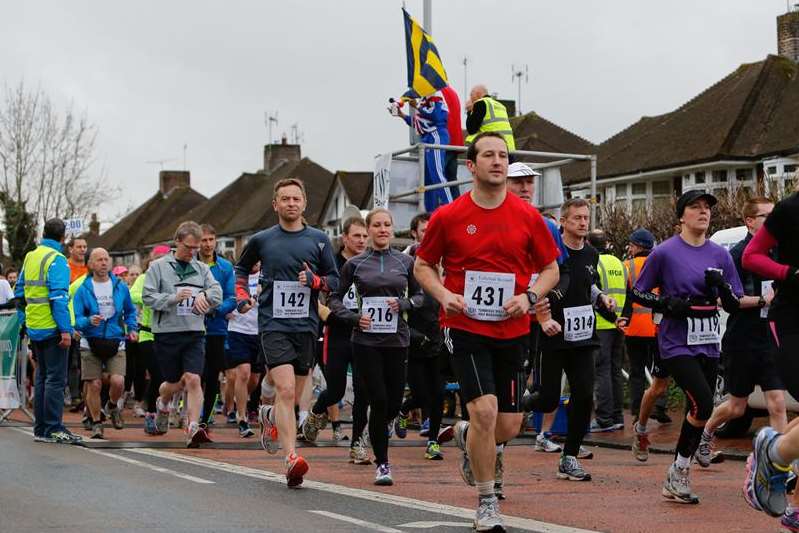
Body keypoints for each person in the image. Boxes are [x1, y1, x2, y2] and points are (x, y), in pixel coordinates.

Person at [414, 132, 560, 531]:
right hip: (464, 326)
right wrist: (444, 294)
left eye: (502, 155)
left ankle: (464, 435)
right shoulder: (449, 216)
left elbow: (551, 269)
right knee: (485, 410)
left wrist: (529, 298)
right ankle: (486, 500)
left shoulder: (529, 217)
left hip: (511, 328)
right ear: (471, 166)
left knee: (508, 426)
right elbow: (423, 265)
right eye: (489, 155)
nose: (497, 161)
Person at [630, 190, 742, 504]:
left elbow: (732, 303)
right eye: (695, 207)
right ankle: (678, 471)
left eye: (707, 208)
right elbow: (638, 293)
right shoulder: (665, 252)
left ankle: (678, 471)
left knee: (700, 411)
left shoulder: (720, 254)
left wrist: (720, 286)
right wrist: (667, 302)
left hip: (708, 342)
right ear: (682, 216)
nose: (703, 212)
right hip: (675, 340)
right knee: (703, 404)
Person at [235, 178, 339, 489]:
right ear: (275, 205)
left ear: (304, 204)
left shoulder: (319, 240)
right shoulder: (262, 239)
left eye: (296, 198)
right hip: (273, 324)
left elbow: (335, 280)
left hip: (305, 326)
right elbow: (241, 269)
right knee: (287, 391)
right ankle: (291, 457)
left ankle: (269, 416)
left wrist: (315, 281)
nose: (291, 203)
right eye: (285, 199)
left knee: (295, 389)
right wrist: (241, 296)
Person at [522, 198, 617, 483]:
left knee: (584, 395)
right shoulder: (551, 252)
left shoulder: (591, 254)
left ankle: (569, 457)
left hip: (583, 336)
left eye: (586, 217)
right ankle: (515, 403)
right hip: (552, 336)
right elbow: (534, 288)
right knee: (549, 397)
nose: (583, 222)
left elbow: (588, 285)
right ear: (563, 221)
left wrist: (601, 298)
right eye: (576, 218)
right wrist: (542, 316)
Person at [328, 208, 423, 485]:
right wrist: (354, 318)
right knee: (379, 400)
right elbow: (334, 299)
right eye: (377, 225)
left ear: (393, 229)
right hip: (366, 341)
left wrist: (404, 304)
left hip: (397, 341)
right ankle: (383, 464)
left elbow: (421, 296)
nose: (382, 230)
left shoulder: (405, 262)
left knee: (393, 402)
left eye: (387, 225)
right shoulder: (355, 264)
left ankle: (377, 428)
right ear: (368, 230)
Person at [698, 197, 786, 465]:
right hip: (742, 340)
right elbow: (728, 301)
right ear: (750, 221)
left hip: (770, 338)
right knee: (737, 407)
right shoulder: (736, 256)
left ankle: (779, 464)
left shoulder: (778, 251)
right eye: (766, 217)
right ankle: (704, 433)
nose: (773, 222)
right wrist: (763, 301)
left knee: (777, 403)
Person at [741, 186, 799, 523]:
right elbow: (752, 255)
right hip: (792, 321)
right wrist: (789, 273)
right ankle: (774, 455)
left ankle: (773, 453)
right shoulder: (791, 209)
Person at [505, 162, 569, 457]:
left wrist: (546, 298)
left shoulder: (547, 226)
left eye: (530, 182)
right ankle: (488, 434)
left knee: (544, 386)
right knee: (510, 385)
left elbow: (559, 270)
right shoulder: (493, 220)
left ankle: (540, 431)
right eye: (518, 182)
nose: (525, 188)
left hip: (540, 317)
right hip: (503, 318)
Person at [143, 221, 223, 447]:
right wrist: (172, 299)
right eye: (189, 247)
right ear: (177, 241)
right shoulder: (158, 267)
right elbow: (148, 297)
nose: (193, 252)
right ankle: (162, 403)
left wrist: (205, 297)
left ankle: (192, 427)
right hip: (167, 333)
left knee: (194, 379)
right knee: (174, 382)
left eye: (196, 248)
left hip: (195, 332)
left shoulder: (202, 269)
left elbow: (217, 292)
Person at [302, 217, 372, 465]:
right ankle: (315, 415)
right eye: (357, 236)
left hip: (364, 335)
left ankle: (357, 446)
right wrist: (336, 316)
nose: (362, 240)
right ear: (345, 238)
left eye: (365, 236)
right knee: (336, 391)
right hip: (337, 334)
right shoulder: (332, 263)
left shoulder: (371, 263)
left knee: (364, 392)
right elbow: (318, 298)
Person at [16, 218, 82, 443]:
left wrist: (24, 320)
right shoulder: (57, 260)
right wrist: (65, 330)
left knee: (43, 377)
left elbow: (19, 292)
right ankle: (54, 428)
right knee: (55, 379)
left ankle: (41, 429)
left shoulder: (30, 256)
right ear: (63, 238)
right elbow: (58, 298)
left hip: (35, 327)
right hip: (53, 327)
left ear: (44, 233)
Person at [73, 248, 138, 438]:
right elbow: (77, 318)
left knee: (118, 381)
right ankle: (96, 422)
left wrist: (132, 328)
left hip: (115, 340)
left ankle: (111, 406)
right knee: (94, 384)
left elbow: (130, 311)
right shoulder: (83, 289)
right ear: (91, 264)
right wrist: (87, 321)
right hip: (90, 341)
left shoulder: (119, 286)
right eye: (99, 260)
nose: (103, 263)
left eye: (106, 259)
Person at [197, 224, 236, 425]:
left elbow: (232, 299)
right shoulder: (188, 266)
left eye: (211, 239)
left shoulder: (225, 267)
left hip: (216, 328)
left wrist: (215, 310)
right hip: (190, 328)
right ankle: (187, 412)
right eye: (203, 240)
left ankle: (205, 418)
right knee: (193, 375)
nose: (208, 244)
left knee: (212, 376)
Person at [587, 230, 627, 432]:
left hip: (601, 324)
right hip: (618, 324)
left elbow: (595, 296)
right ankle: (617, 415)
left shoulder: (593, 263)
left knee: (602, 372)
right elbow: (627, 292)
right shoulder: (619, 263)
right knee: (615, 370)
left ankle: (604, 418)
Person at [131, 245, 170, 434]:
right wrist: (155, 298)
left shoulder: (171, 279)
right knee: (158, 375)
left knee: (168, 377)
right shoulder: (144, 278)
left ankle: (160, 409)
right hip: (147, 333)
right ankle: (151, 412)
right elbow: (133, 295)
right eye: (157, 258)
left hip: (168, 333)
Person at [390, 92, 452, 211]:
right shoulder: (424, 99)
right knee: (427, 181)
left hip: (436, 136)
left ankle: (450, 208)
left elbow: (437, 117)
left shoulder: (436, 95)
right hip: (427, 137)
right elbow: (420, 124)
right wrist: (401, 115)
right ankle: (429, 214)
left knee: (437, 175)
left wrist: (417, 106)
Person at [225, 261, 264, 438]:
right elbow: (224, 296)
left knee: (255, 379)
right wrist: (225, 310)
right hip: (238, 331)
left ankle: (240, 398)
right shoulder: (236, 276)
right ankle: (242, 418)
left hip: (260, 332)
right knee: (243, 373)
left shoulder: (266, 275)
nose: (255, 263)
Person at [464, 85, 516, 151]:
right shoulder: (501, 106)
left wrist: (469, 111)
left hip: (495, 149)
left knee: (470, 141)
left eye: (471, 95)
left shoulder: (480, 103)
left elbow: (471, 129)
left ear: (478, 94)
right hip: (510, 148)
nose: (470, 98)